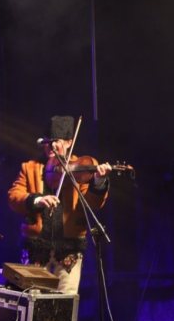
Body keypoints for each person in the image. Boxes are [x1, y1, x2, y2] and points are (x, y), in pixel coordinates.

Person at [7, 115, 111, 296]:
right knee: (33, 301)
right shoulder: (30, 168)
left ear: (70, 142)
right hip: (36, 252)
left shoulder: (80, 168)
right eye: (48, 142)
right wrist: (37, 200)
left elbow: (92, 204)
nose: (52, 146)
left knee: (65, 302)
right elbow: (14, 197)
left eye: (58, 141)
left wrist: (98, 181)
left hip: (68, 253)